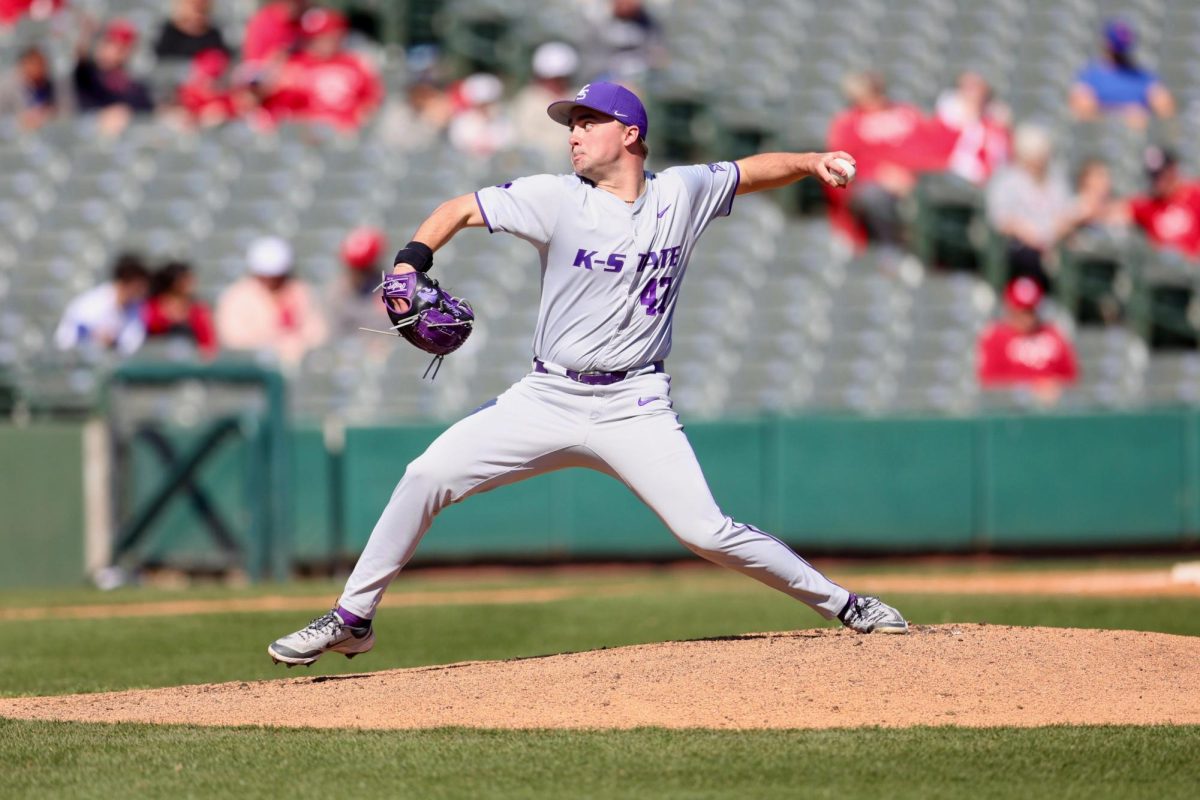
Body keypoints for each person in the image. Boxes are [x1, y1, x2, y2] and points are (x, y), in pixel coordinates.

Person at [267, 81, 908, 668]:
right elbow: (458, 208)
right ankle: (353, 618)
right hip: (548, 395)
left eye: (587, 121)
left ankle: (846, 604)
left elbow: (747, 172)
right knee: (425, 475)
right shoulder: (555, 198)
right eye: (569, 123)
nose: (572, 133)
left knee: (705, 531)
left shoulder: (680, 193)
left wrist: (811, 162)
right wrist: (410, 261)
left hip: (636, 401)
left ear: (629, 134)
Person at [826, 71, 953, 250]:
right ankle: (893, 249)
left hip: (920, 178)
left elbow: (932, 147)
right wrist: (878, 173)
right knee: (874, 196)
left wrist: (912, 175)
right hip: (875, 185)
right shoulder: (848, 123)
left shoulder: (906, 112)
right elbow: (839, 164)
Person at [985, 123, 1080, 289]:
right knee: (1028, 257)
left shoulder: (1056, 179)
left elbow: (1067, 214)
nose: (1040, 160)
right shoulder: (1006, 180)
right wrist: (1036, 238)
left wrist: (1052, 235)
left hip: (1055, 243)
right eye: (1036, 155)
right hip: (1022, 247)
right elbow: (1002, 220)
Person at [214, 236, 329, 369]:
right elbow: (234, 340)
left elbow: (317, 333)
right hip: (254, 369)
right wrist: (275, 346)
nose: (271, 281)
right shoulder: (237, 297)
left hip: (299, 367)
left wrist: (294, 346)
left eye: (277, 276)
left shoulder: (301, 292)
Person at [268, 7, 382, 131]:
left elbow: (371, 98)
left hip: (346, 132)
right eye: (316, 38)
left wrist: (360, 119)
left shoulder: (354, 64)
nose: (323, 42)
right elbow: (280, 106)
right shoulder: (294, 65)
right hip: (307, 132)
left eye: (328, 36)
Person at [977, 277, 1079, 405]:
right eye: (1022, 311)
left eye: (1030, 310)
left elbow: (1070, 376)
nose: (1026, 317)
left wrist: (1053, 387)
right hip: (1010, 409)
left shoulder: (1054, 334)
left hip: (1051, 409)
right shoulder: (996, 337)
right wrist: (1031, 389)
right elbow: (991, 381)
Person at [1070, 18, 1174, 128]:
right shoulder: (1091, 77)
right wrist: (1124, 114)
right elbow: (1082, 112)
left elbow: (1166, 110)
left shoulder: (1143, 77)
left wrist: (1146, 117)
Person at [54, 253, 150, 356]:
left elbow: (132, 341)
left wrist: (114, 341)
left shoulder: (136, 308)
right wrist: (93, 336)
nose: (142, 291)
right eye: (138, 286)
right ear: (124, 282)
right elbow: (65, 337)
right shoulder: (93, 302)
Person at [72, 18, 154, 136]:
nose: (113, 52)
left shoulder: (135, 87)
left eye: (121, 48)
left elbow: (146, 115)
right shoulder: (84, 73)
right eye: (109, 43)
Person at [934, 71, 1011, 187]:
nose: (973, 93)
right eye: (969, 88)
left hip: (985, 182)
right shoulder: (946, 118)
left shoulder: (994, 122)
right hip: (951, 177)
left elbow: (999, 158)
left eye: (977, 88)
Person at [510, 42, 580, 164]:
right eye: (552, 78)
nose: (556, 83)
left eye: (561, 78)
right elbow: (525, 139)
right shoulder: (528, 100)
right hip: (538, 167)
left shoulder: (578, 97)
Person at [1127, 146, 1200, 260]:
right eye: (1154, 176)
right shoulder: (1147, 205)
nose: (1158, 181)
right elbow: (1115, 212)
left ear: (1173, 170)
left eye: (1162, 174)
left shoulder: (1195, 195)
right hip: (1160, 272)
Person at [142, 260, 218, 358]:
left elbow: (208, 344)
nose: (192, 282)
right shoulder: (151, 307)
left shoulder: (198, 310)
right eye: (186, 278)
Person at [447, 72, 514, 158]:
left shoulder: (505, 122)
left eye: (488, 104)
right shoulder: (461, 124)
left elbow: (508, 148)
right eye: (480, 105)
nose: (484, 109)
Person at [0, 45, 62, 131]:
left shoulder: (47, 83)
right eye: (37, 64)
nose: (42, 68)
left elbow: (59, 109)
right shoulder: (6, 85)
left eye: (43, 64)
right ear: (24, 63)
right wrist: (19, 121)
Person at [153, 0, 231, 62]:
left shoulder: (214, 35)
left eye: (202, 8)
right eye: (194, 5)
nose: (198, 7)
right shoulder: (170, 33)